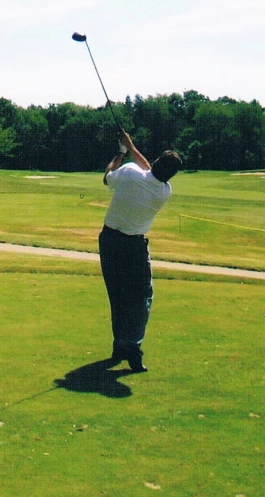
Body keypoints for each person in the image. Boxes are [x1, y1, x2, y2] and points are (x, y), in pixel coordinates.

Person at [99, 130, 182, 372]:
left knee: (118, 297)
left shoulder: (128, 172)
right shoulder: (164, 192)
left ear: (155, 162)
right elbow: (151, 173)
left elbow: (107, 176)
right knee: (141, 297)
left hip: (109, 242)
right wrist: (132, 148)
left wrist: (122, 151)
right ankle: (131, 346)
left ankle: (120, 346)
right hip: (134, 247)